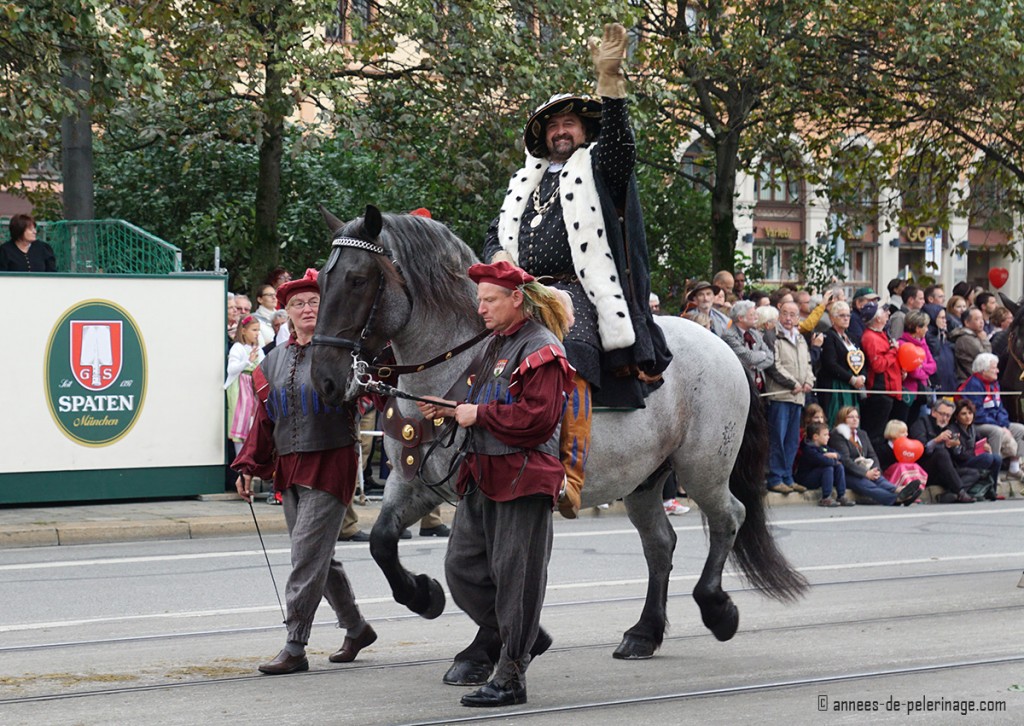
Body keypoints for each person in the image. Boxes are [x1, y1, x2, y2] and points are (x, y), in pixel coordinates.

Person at [481, 22, 671, 518]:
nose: (560, 131)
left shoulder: (598, 167)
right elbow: (495, 234)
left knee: (573, 357)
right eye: (552, 126)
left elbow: (622, 149)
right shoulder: (525, 182)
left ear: (584, 132)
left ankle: (569, 474)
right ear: (543, 138)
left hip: (577, 293)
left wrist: (611, 84)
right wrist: (499, 259)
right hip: (521, 292)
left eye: (569, 124)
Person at [416, 260, 575, 707]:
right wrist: (450, 408)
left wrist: (477, 415)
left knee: (516, 579)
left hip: (523, 478)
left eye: (489, 300)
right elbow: (480, 399)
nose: (480, 308)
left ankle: (511, 675)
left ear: (515, 300)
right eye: (480, 300)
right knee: (461, 568)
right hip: (483, 474)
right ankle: (521, 634)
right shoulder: (495, 344)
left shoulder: (542, 348)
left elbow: (538, 419)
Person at [232, 269, 377, 675]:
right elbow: (264, 420)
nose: (307, 308)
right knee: (318, 558)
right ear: (286, 312)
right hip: (289, 467)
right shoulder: (271, 362)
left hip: (332, 462)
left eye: (314, 301)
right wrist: (246, 466)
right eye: (298, 303)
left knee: (304, 557)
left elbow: (367, 396)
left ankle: (295, 645)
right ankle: (356, 627)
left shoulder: (343, 353)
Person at [764, 300, 814, 495]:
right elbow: (774, 366)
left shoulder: (800, 338)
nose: (788, 318)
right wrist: (793, 383)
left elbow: (808, 364)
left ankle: (788, 476)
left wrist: (809, 381)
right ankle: (775, 477)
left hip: (799, 396)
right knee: (778, 438)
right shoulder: (773, 336)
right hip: (781, 395)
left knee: (792, 440)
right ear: (779, 314)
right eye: (785, 313)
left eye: (793, 314)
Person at [830, 407, 919, 505]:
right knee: (867, 484)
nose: (855, 419)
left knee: (879, 479)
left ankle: (899, 490)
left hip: (865, 468)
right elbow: (846, 460)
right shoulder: (837, 435)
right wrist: (865, 473)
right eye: (851, 417)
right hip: (846, 473)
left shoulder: (862, 434)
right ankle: (896, 499)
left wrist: (875, 470)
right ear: (842, 419)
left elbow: (872, 455)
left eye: (857, 417)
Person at [958, 352, 1024, 481]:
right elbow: (977, 413)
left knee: (1020, 429)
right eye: (994, 368)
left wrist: (1004, 424)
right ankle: (994, 470)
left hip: (994, 421)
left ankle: (1014, 468)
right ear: (983, 369)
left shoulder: (994, 384)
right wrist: (1000, 426)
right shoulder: (974, 385)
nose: (998, 371)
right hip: (977, 423)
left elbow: (1000, 409)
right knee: (996, 432)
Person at [908, 399, 976, 503]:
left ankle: (949, 495)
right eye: (942, 414)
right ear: (934, 412)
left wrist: (956, 447)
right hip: (925, 468)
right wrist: (936, 440)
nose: (944, 418)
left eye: (948, 416)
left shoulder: (948, 427)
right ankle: (960, 492)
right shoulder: (922, 423)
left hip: (946, 471)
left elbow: (957, 456)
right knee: (941, 453)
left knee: (974, 473)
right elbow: (921, 449)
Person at [818, 301, 866, 423]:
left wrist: (862, 377)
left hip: (853, 386)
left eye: (848, 315)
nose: (846, 318)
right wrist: (851, 379)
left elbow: (863, 360)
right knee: (839, 418)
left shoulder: (853, 337)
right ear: (832, 318)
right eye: (842, 315)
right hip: (837, 385)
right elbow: (830, 363)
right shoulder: (829, 336)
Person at [859, 306, 903, 440]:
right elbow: (878, 365)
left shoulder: (881, 334)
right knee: (876, 433)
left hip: (890, 390)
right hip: (881, 390)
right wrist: (893, 350)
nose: (888, 313)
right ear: (877, 318)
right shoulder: (870, 338)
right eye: (885, 311)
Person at [224, 315, 265, 457]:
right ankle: (240, 462)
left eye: (258, 330)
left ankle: (249, 461)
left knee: (252, 424)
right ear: (243, 331)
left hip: (254, 388)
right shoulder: (238, 348)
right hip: (241, 387)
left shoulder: (258, 349)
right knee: (241, 423)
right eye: (254, 330)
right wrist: (248, 361)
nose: (257, 333)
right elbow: (231, 369)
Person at [947, 399, 1002, 500]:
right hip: (960, 463)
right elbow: (958, 455)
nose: (968, 416)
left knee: (997, 458)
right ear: (956, 416)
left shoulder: (973, 429)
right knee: (987, 458)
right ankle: (980, 484)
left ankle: (992, 489)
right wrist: (976, 452)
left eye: (970, 413)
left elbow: (979, 443)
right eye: (963, 414)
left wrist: (985, 448)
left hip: (971, 458)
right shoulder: (953, 430)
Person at [795, 422, 852, 507]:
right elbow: (824, 461)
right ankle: (826, 497)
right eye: (825, 435)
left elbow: (841, 456)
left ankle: (841, 495)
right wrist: (833, 461)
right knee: (828, 468)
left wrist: (836, 455)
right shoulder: (809, 449)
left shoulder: (824, 447)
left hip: (819, 477)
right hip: (806, 480)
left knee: (839, 467)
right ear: (815, 437)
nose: (828, 437)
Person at [722, 300, 774, 393]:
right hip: (742, 388)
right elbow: (749, 357)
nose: (756, 317)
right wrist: (762, 354)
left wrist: (754, 366)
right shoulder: (729, 336)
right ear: (741, 318)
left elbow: (770, 357)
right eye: (752, 315)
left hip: (759, 387)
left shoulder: (754, 333)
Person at [897, 310, 937, 425]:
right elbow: (913, 372)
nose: (927, 329)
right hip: (908, 393)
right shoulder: (903, 344)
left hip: (921, 392)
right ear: (917, 328)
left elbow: (933, 366)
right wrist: (924, 370)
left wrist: (921, 366)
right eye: (925, 326)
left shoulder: (923, 342)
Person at [878, 419, 927, 502]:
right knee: (901, 466)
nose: (906, 434)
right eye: (903, 432)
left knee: (914, 465)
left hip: (902, 471)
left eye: (906, 432)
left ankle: (914, 489)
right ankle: (904, 490)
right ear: (894, 433)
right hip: (889, 474)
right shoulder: (883, 448)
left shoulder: (906, 448)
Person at [923, 303, 957, 396]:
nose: (945, 321)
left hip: (948, 385)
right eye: (941, 318)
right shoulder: (927, 338)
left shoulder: (943, 336)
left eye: (945, 318)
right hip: (934, 387)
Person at [950, 307, 991, 383]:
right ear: (967, 323)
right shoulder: (966, 339)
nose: (981, 322)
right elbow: (986, 358)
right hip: (969, 381)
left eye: (982, 318)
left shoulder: (976, 336)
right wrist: (985, 340)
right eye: (977, 319)